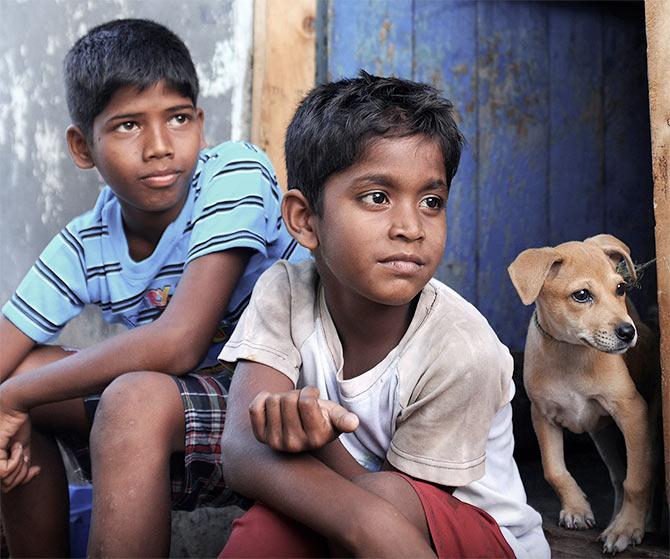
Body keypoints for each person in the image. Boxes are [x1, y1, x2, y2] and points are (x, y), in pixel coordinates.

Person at [0, 18, 307, 557]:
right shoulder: (85, 244)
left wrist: (12, 398)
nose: (160, 146)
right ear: (82, 146)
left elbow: (179, 341)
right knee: (22, 378)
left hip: (286, 403)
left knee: (105, 397)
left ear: (201, 124)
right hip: (180, 416)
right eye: (127, 126)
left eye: (178, 118)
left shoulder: (233, 173)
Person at [218, 72, 550, 558]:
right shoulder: (284, 291)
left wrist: (313, 446)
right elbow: (243, 450)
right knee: (268, 528)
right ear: (304, 220)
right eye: (377, 197)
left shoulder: (464, 348)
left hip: (480, 537)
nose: (411, 227)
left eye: (431, 202)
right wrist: (305, 444)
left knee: (321, 505)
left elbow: (393, 511)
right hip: (367, 513)